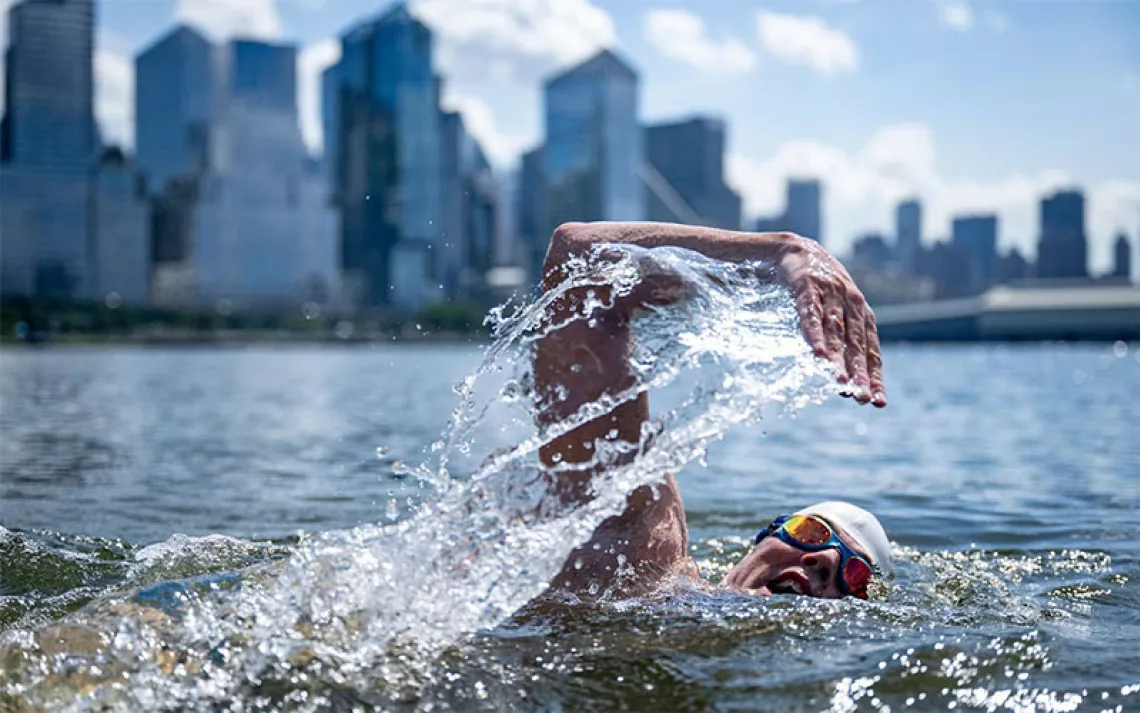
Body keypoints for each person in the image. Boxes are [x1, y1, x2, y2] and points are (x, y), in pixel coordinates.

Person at [534, 221, 891, 600]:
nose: (825, 559)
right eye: (810, 532)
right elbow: (574, 257)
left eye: (855, 574)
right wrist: (779, 253)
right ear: (763, 538)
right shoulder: (646, 552)